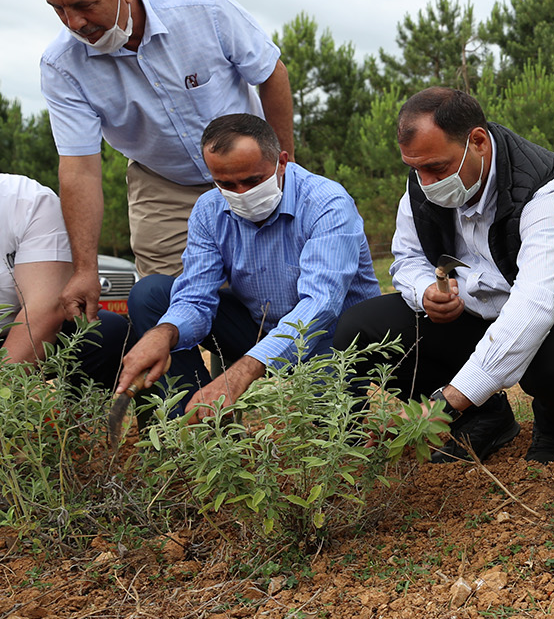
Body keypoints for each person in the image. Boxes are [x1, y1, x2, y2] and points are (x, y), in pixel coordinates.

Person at [331, 88, 554, 464]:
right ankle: (485, 419)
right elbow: (406, 259)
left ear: (477, 141)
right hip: (476, 314)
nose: (425, 182)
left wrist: (448, 401)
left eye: (437, 169)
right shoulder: (425, 182)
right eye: (416, 168)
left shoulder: (551, 188)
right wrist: (426, 290)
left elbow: (536, 305)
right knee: (362, 326)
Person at [24, 0, 295, 322]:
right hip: (162, 183)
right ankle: (186, 386)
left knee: (269, 285)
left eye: (84, 5)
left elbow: (271, 75)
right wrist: (85, 268)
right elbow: (80, 169)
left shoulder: (204, 8)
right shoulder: (62, 66)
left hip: (251, 168)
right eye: (58, 8)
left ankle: (264, 376)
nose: (74, 22)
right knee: (168, 301)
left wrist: (282, 167)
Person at [116, 115, 379, 421]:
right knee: (152, 296)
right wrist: (165, 331)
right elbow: (195, 297)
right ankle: (197, 431)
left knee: (335, 436)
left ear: (281, 162)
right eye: (225, 183)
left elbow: (321, 305)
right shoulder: (209, 210)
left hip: (331, 341)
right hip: (260, 326)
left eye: (253, 180)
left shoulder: (326, 203)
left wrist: (244, 370)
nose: (240, 193)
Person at [0, 136, 127, 392]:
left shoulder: (28, 203)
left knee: (104, 333)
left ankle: (75, 425)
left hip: (12, 338)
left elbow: (43, 311)